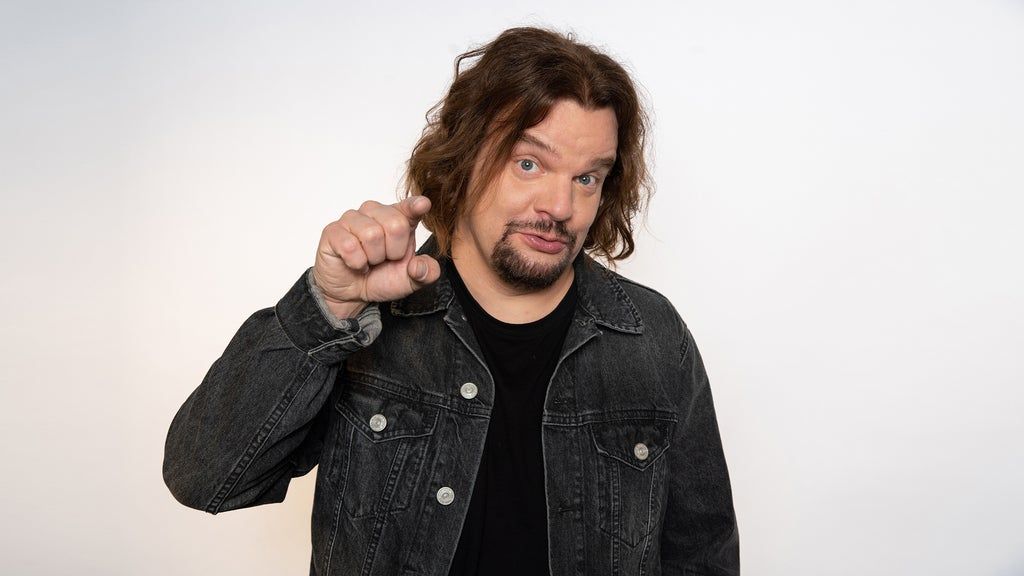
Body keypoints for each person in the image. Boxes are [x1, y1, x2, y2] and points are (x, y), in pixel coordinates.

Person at [163, 26, 739, 576]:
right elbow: (205, 478)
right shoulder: (367, 314)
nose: (560, 207)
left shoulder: (652, 338)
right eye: (529, 163)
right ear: (464, 158)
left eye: (587, 178)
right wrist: (326, 309)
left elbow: (702, 556)